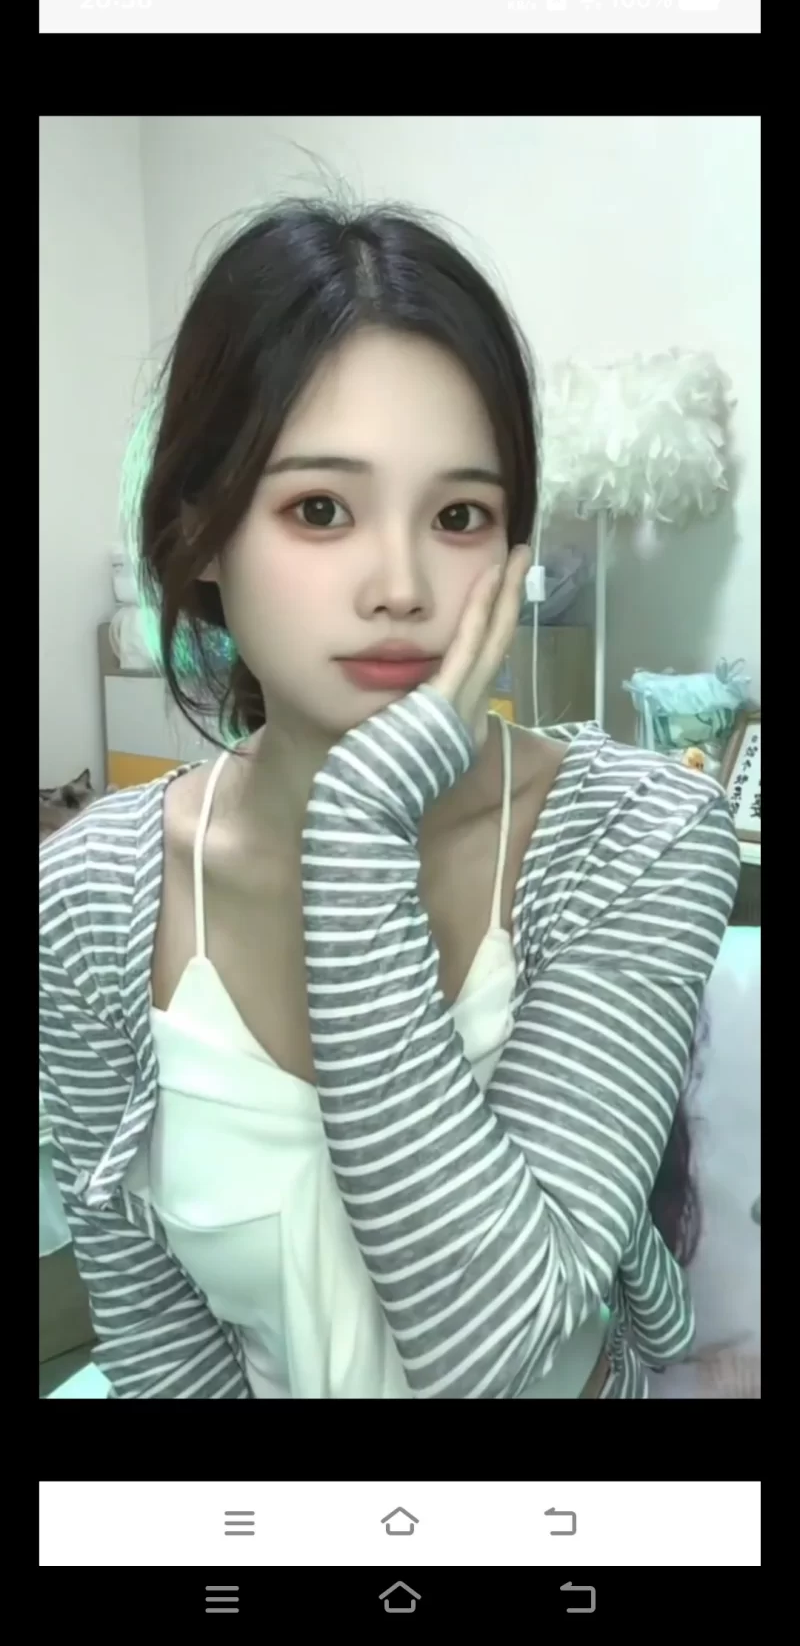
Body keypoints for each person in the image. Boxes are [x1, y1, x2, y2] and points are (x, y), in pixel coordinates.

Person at [39, 199, 740, 1399]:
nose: (402, 585)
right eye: (319, 508)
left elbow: (496, 1346)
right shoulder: (89, 897)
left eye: (458, 515)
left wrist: (359, 829)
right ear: (201, 528)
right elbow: (155, 1340)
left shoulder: (641, 833)